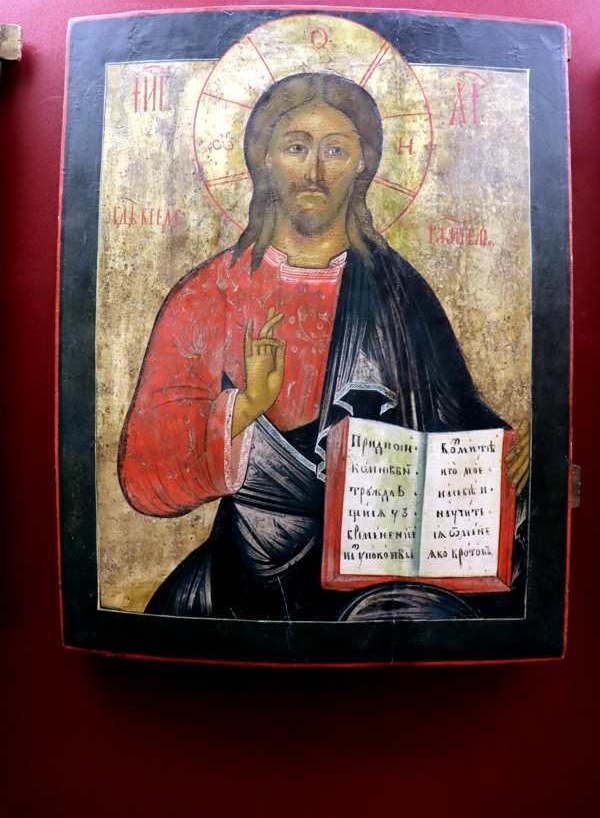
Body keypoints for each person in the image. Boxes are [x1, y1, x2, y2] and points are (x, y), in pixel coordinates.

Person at [118, 72, 529, 621]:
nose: (313, 171)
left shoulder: (398, 293)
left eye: (335, 150)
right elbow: (145, 476)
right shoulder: (209, 294)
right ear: (264, 160)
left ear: (363, 165)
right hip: (247, 577)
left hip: (379, 573)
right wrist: (247, 408)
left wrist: (513, 456)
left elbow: (457, 431)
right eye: (296, 147)